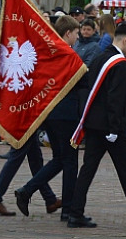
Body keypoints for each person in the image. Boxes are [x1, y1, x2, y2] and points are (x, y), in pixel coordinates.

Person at [64, 23, 126, 229]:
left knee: (88, 169)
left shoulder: (101, 57)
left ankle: (75, 212)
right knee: (124, 171)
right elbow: (115, 100)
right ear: (125, 40)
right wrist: (114, 128)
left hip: (94, 124)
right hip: (111, 128)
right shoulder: (119, 64)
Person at [12, 16, 84, 218]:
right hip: (66, 114)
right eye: (76, 33)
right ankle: (68, 209)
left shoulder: (48, 52)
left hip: (50, 113)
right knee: (70, 161)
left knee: (60, 159)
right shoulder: (67, 53)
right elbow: (83, 79)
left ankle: (26, 191)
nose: (77, 38)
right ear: (68, 33)